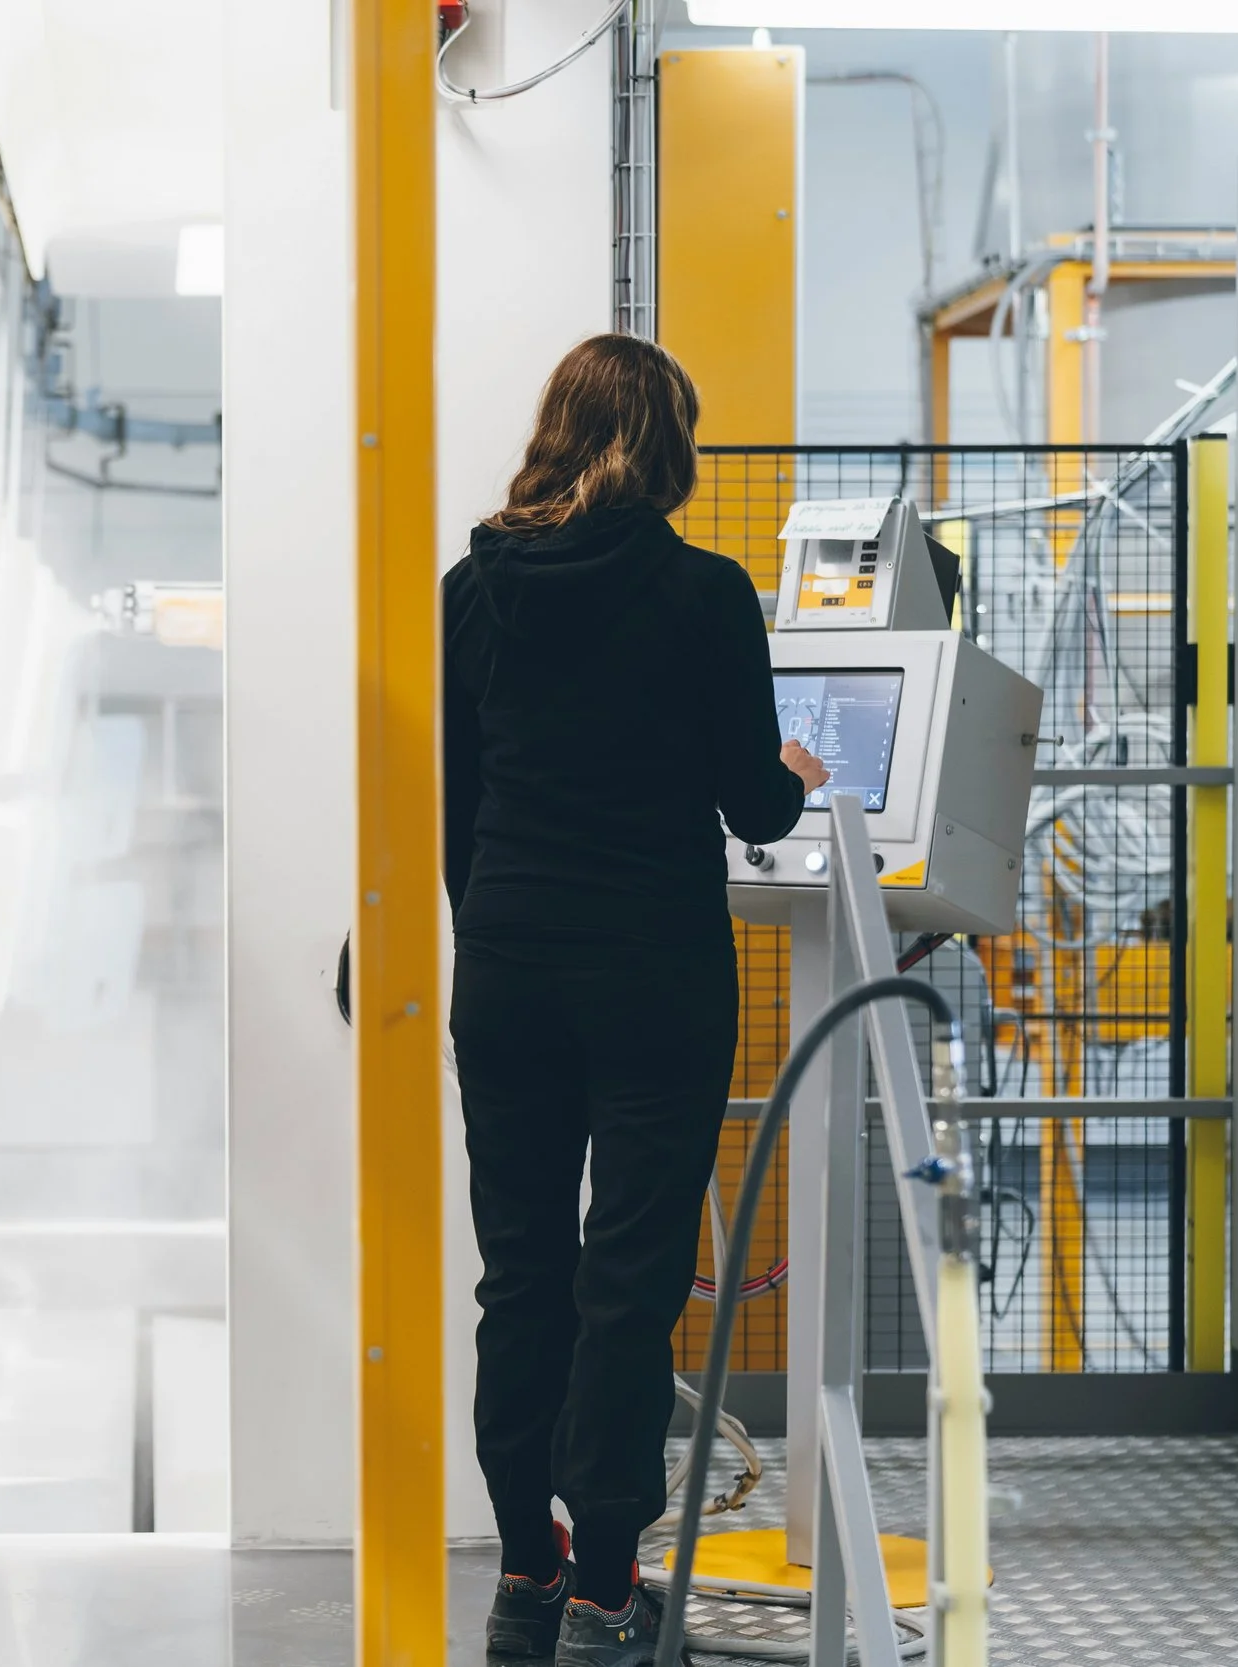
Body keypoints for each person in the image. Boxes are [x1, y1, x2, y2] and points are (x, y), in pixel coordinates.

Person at [442, 333, 829, 1666]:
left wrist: (494, 931)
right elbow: (750, 800)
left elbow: (460, 813)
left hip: (505, 965)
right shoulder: (705, 593)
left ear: (557, 432)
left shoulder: (471, 590)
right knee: (629, 1278)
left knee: (522, 1274)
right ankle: (608, 1583)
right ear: (670, 447)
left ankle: (522, 1570)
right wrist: (793, 767)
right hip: (655, 971)